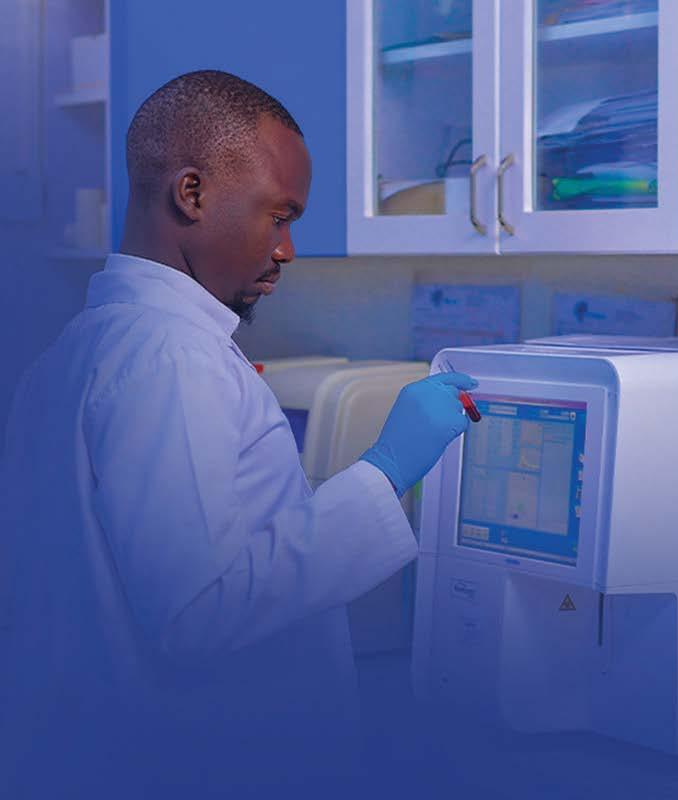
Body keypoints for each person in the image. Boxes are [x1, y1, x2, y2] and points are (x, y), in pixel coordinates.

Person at [0, 70, 475, 799]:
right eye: (278, 216)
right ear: (191, 194)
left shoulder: (78, 350)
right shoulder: (172, 360)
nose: (287, 250)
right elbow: (199, 609)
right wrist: (385, 471)